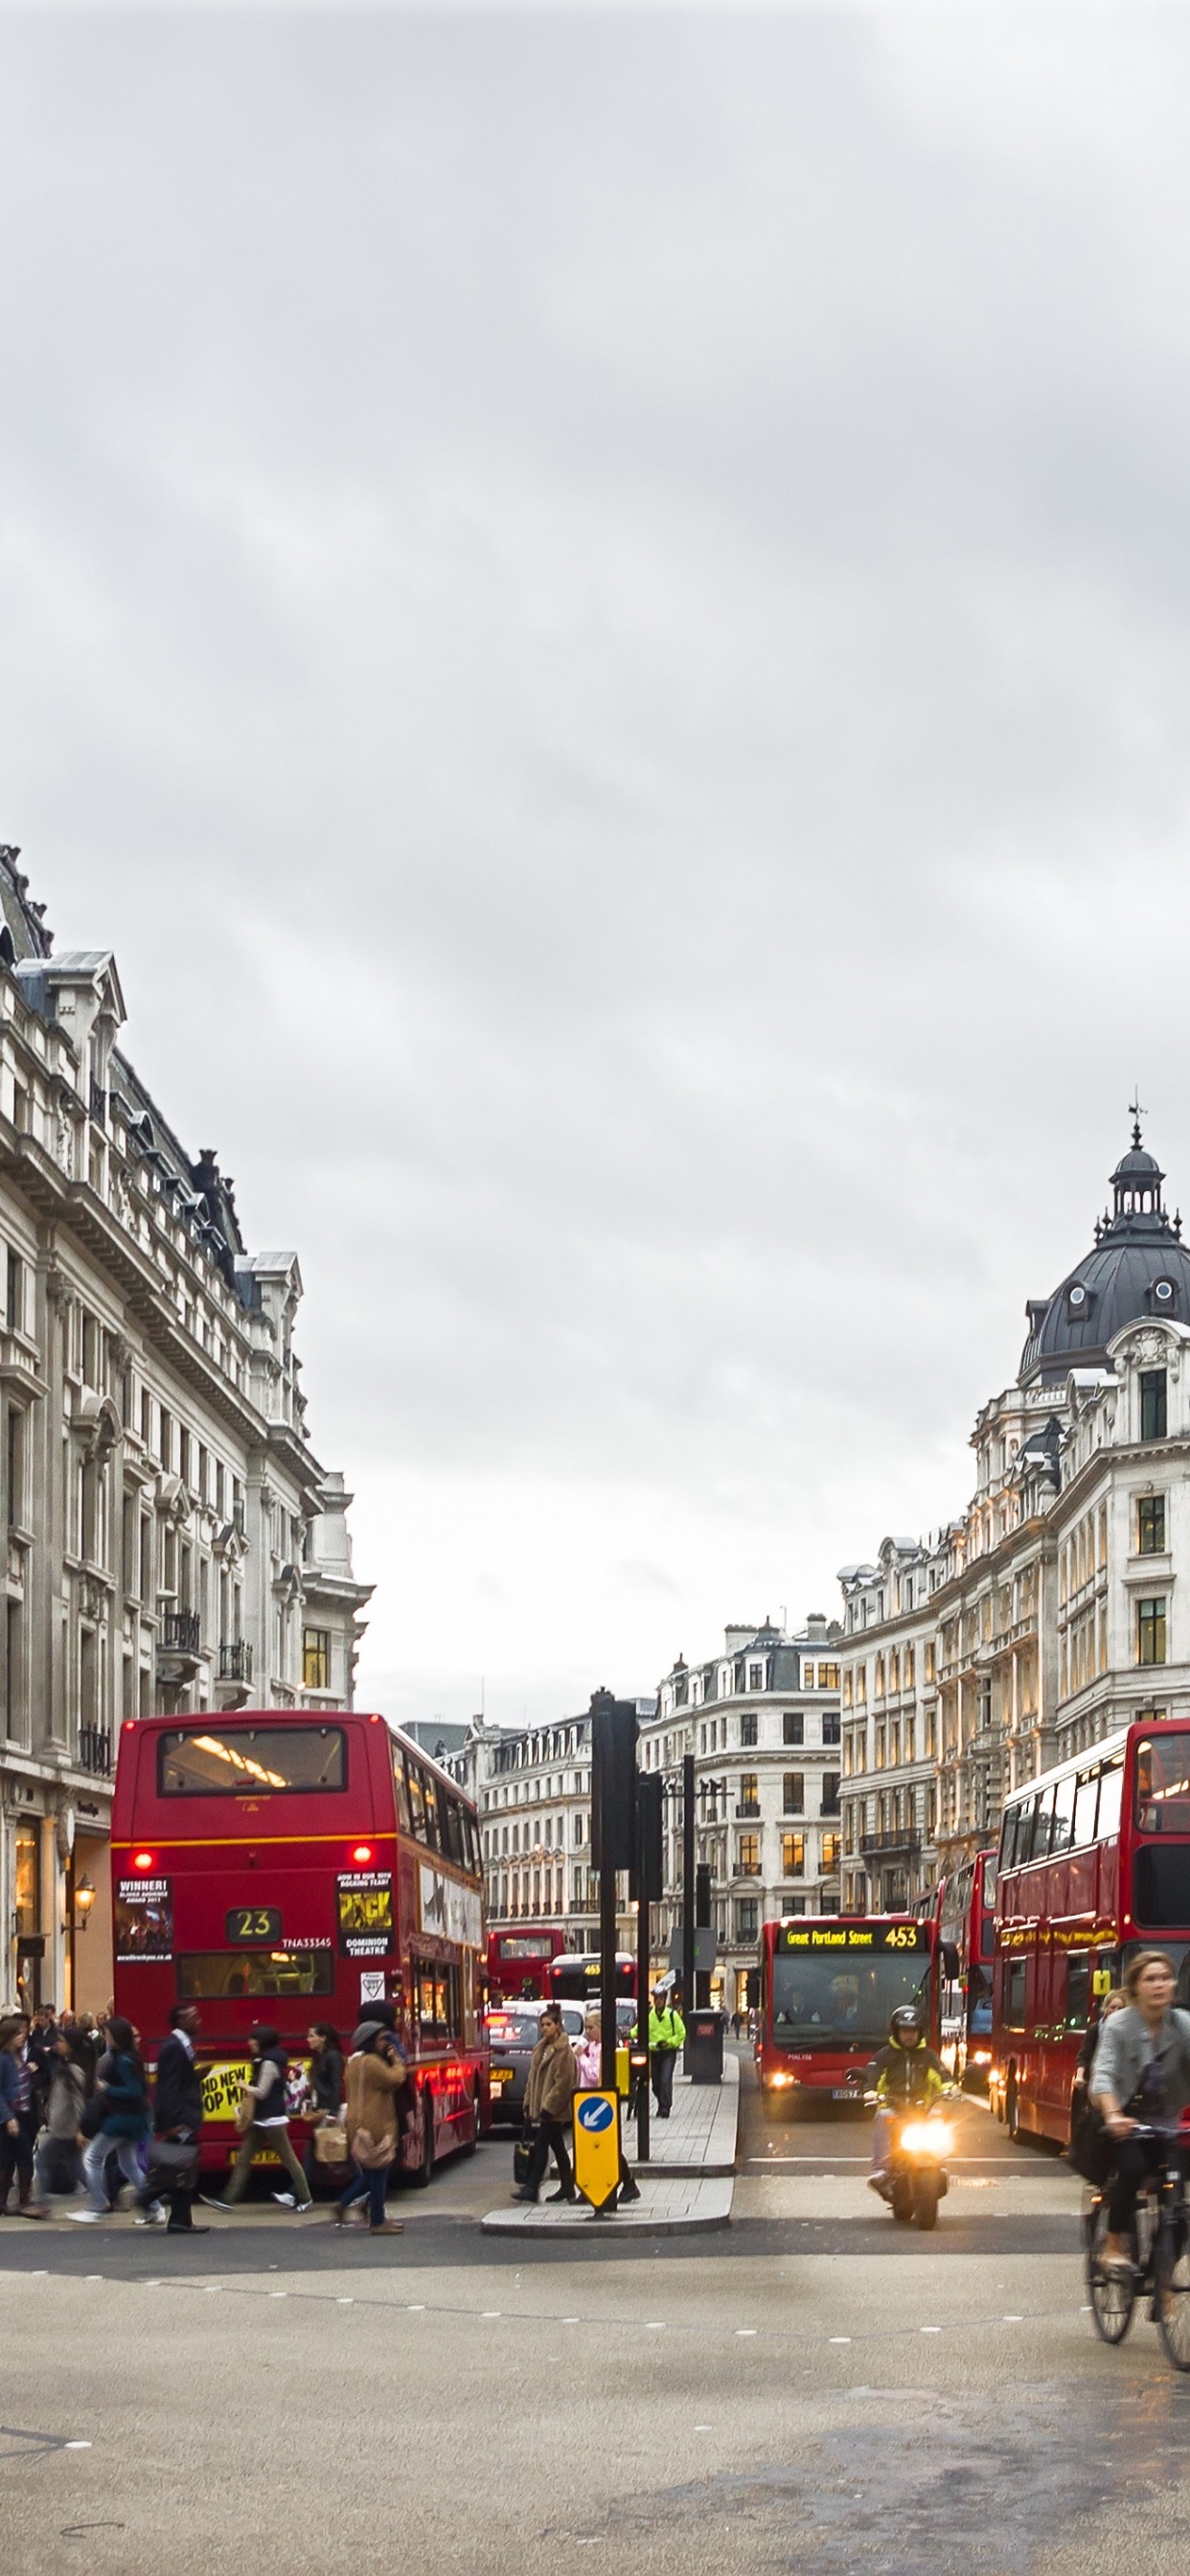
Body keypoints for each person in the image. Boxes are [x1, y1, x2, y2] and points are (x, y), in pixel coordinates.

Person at [1089, 1949, 1190, 2271]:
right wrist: (1113, 2115)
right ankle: (1114, 2243)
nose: (1159, 1985)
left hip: (1169, 2123)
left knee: (1179, 2210)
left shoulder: (1183, 2024)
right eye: (1150, 1979)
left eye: (1164, 1978)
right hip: (1127, 2122)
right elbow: (1102, 2074)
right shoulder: (1119, 2025)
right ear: (1135, 1988)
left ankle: (1162, 2278)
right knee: (1132, 2169)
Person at [210, 2025, 312, 2212]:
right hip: (261, 2119)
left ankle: (305, 2198)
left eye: (253, 2040)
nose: (249, 2043)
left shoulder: (269, 2063)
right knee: (243, 2158)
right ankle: (227, 2199)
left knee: (289, 2159)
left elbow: (263, 2092)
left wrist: (244, 2086)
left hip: (273, 2120)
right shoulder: (264, 2061)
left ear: (262, 2042)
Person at [135, 2004, 209, 2234]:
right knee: (181, 2164)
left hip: (184, 2114)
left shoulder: (182, 2045)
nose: (198, 2020)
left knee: (183, 2166)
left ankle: (180, 2220)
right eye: (192, 2016)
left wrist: (195, 2076)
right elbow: (167, 2087)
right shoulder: (173, 2048)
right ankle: (149, 2195)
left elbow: (179, 2081)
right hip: (180, 2118)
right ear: (180, 2020)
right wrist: (170, 2123)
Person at [71, 2015, 151, 2221]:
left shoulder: (122, 2059)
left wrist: (108, 2089)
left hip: (122, 2118)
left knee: (93, 2157)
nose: (106, 2038)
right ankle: (154, 2206)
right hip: (135, 2118)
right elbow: (142, 2088)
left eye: (108, 2034)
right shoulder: (131, 2056)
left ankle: (98, 2204)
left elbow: (133, 2090)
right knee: (128, 2164)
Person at [866, 2005, 946, 2196]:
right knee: (883, 2116)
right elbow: (873, 2073)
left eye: (913, 2031)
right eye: (904, 2031)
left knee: (939, 2116)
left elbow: (941, 2074)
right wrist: (869, 2090)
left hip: (921, 2109)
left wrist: (951, 2088)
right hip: (894, 2107)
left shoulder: (928, 2055)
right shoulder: (885, 2055)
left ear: (920, 2032)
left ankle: (940, 2163)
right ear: (896, 2031)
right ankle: (882, 2169)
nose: (909, 2036)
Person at [335, 2022, 406, 2234]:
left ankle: (355, 2207)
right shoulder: (373, 2063)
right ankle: (376, 2221)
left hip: (356, 2121)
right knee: (379, 2170)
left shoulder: (354, 2062)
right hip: (374, 2122)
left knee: (374, 2171)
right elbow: (396, 2078)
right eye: (382, 2039)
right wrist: (395, 2057)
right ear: (372, 2041)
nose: (386, 2043)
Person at [512, 2004, 578, 2204]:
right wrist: (527, 2102)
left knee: (541, 2145)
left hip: (553, 2109)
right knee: (557, 2146)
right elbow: (533, 2079)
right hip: (542, 2107)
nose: (545, 2028)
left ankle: (532, 2187)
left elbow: (563, 2083)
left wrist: (548, 2107)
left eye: (549, 2024)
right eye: (542, 2025)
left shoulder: (564, 2051)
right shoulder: (541, 2049)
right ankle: (567, 2188)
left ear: (558, 2026)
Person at [575, 2012, 640, 2206]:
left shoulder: (605, 2049)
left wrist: (581, 2058)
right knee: (590, 2147)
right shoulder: (593, 2046)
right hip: (587, 2099)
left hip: (600, 2100)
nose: (587, 2032)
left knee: (608, 2147)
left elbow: (596, 2074)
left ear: (602, 2028)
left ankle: (628, 2184)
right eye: (586, 2028)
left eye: (591, 2028)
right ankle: (589, 2188)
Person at [29, 2028, 90, 2208]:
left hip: (65, 2130)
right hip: (64, 2128)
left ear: (71, 2046)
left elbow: (79, 2102)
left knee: (42, 2162)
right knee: (77, 2166)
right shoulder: (66, 2068)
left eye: (62, 2041)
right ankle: (102, 2197)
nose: (57, 2044)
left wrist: (80, 2129)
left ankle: (42, 2204)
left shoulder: (73, 2071)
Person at [0, 2013, 43, 2217]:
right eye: (17, 2034)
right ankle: (23, 2201)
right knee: (21, 2156)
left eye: (24, 2033)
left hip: (25, 2114)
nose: (22, 2037)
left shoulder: (18, 2057)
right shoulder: (3, 2060)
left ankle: (13, 2200)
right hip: (11, 2115)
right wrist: (8, 2117)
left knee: (12, 2157)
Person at [303, 2021, 346, 2191]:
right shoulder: (319, 2057)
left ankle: (360, 2183)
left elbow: (336, 2085)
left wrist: (333, 2112)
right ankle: (298, 2193)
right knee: (312, 2152)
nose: (308, 2040)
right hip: (319, 2108)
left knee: (344, 2153)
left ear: (323, 2038)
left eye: (312, 2036)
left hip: (327, 2110)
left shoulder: (333, 2057)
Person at [646, 1987, 686, 2120]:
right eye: (656, 1999)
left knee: (665, 2080)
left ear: (664, 2000)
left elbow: (681, 2033)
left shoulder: (672, 2015)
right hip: (654, 2052)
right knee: (656, 2083)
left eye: (661, 1999)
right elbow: (639, 2029)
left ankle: (665, 2108)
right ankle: (660, 2103)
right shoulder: (650, 2016)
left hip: (668, 2052)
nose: (658, 2001)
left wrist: (669, 2042)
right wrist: (629, 2033)